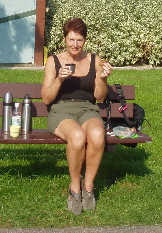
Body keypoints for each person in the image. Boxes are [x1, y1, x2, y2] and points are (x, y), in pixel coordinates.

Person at [41, 18, 112, 215]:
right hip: (61, 110)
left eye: (79, 40)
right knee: (78, 137)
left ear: (84, 40)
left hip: (88, 109)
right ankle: (74, 188)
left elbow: (99, 96)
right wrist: (59, 79)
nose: (75, 44)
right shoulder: (53, 61)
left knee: (98, 135)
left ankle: (88, 187)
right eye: (71, 39)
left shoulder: (95, 61)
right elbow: (46, 99)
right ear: (64, 39)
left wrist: (103, 78)